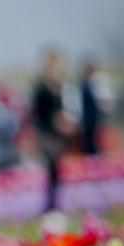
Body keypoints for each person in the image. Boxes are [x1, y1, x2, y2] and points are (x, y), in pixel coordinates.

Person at [32, 49, 76, 213]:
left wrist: (66, 122)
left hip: (58, 134)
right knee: (50, 168)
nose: (59, 68)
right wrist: (56, 121)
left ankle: (54, 204)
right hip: (46, 133)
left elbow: (61, 110)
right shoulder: (42, 87)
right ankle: (49, 205)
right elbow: (39, 113)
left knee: (56, 170)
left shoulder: (59, 86)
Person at [80, 60, 103, 155]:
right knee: (89, 145)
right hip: (87, 121)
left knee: (95, 145)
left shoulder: (95, 85)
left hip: (94, 120)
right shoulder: (84, 85)